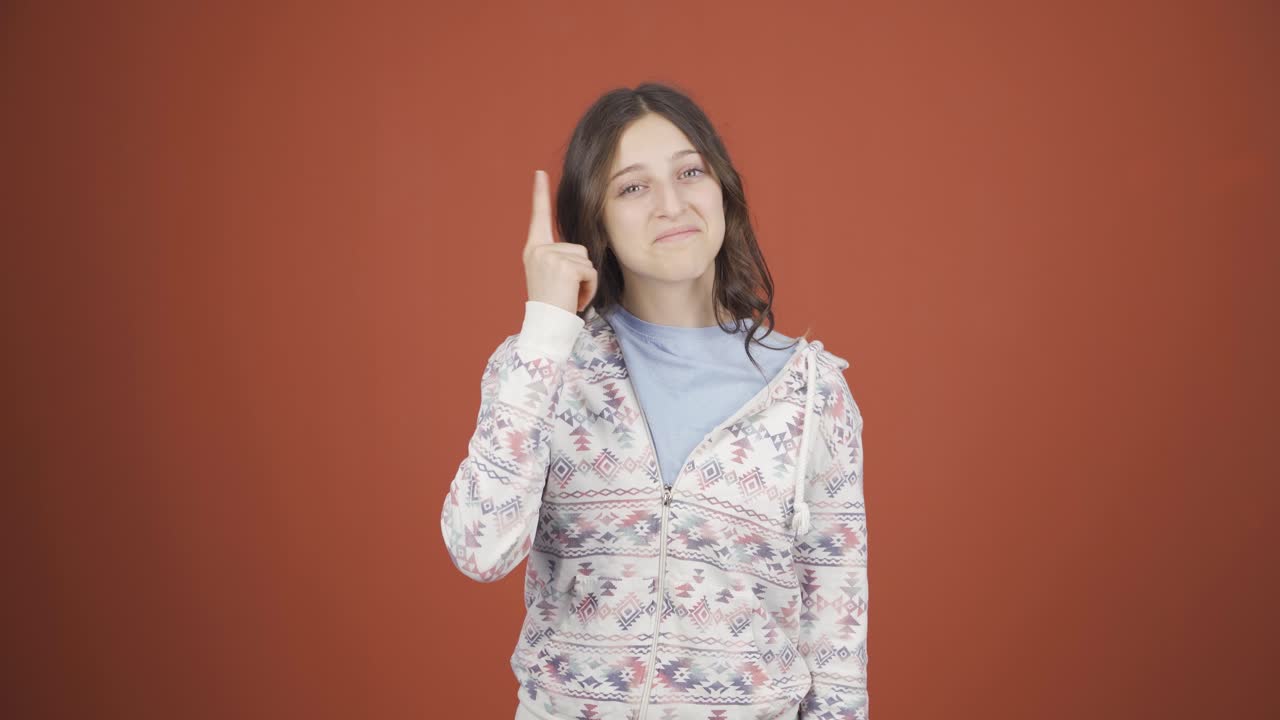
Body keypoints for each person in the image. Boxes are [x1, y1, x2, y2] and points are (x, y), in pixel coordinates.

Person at [441, 83, 868, 720]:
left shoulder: (810, 391)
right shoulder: (544, 365)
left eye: (690, 172)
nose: (672, 205)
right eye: (633, 187)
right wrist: (545, 330)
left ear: (722, 190)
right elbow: (480, 549)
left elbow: (836, 641)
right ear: (597, 221)